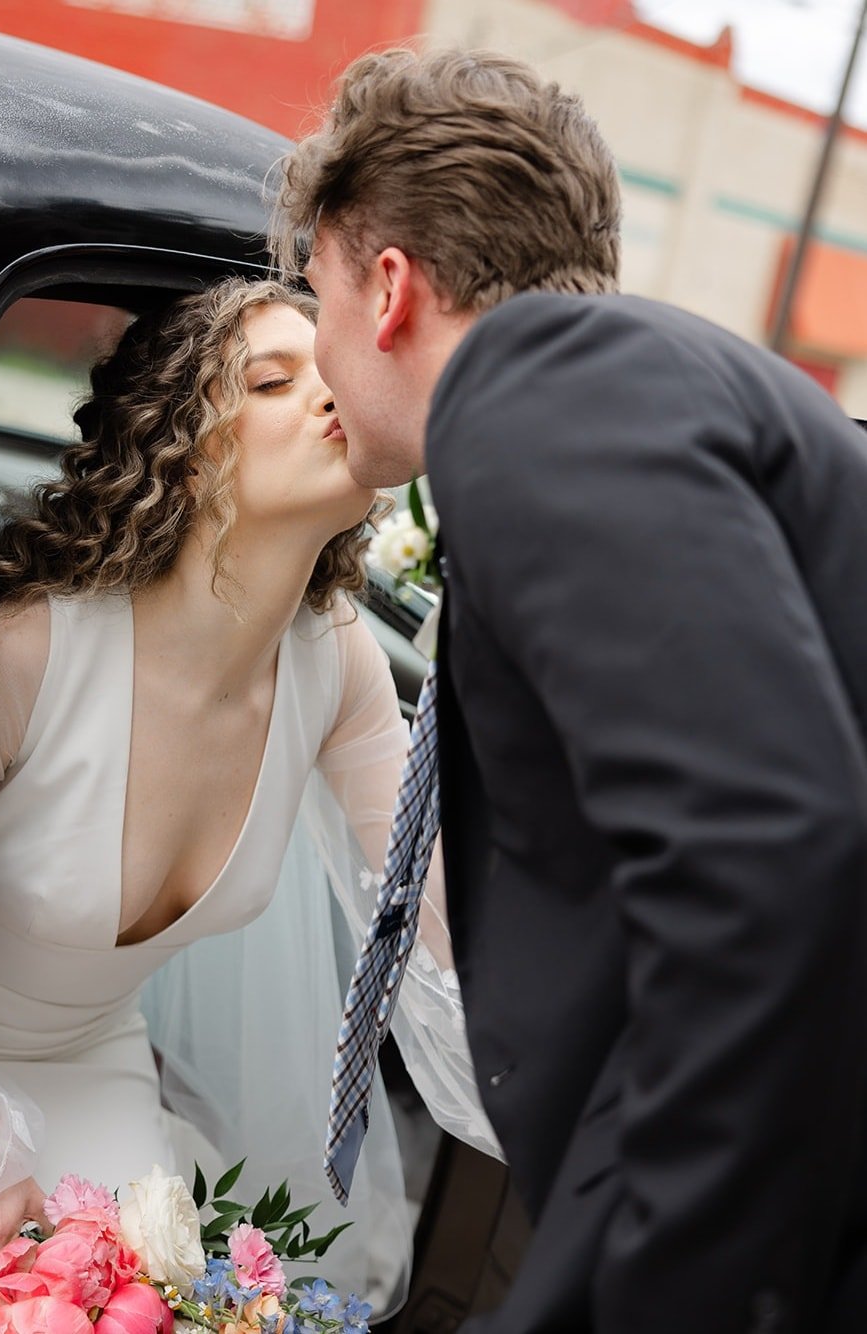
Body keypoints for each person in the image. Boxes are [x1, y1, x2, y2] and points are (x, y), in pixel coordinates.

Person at [271, 45, 867, 1334]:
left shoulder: (543, 395)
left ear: (386, 289)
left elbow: (761, 850)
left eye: (308, 294)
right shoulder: (610, 389)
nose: (313, 350)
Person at [0, 275, 500, 1315]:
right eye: (270, 379)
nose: (332, 393)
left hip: (99, 1064)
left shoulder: (336, 659)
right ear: (183, 443)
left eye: (335, 365)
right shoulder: (26, 650)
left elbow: (436, 917)